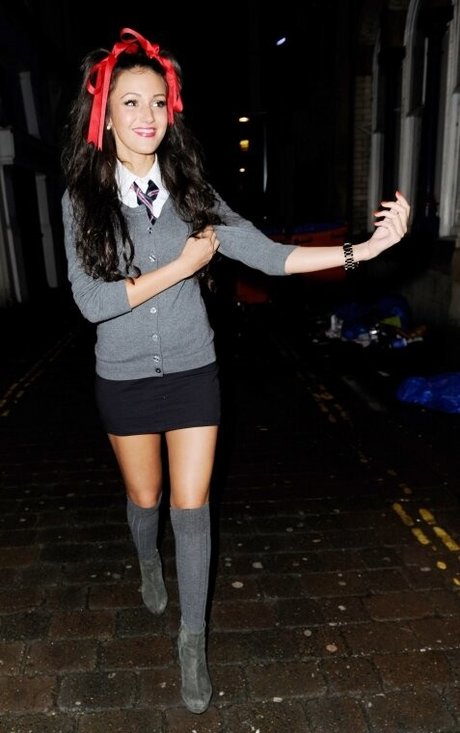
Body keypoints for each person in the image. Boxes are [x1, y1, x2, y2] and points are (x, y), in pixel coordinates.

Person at [60, 27, 410, 715]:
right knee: (146, 500)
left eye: (157, 102)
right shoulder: (81, 198)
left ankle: (192, 640)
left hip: (193, 369)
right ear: (105, 114)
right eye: (131, 102)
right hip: (124, 376)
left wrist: (363, 251)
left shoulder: (193, 190)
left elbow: (271, 255)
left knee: (192, 509)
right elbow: (92, 303)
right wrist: (184, 266)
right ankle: (146, 557)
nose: (147, 116)